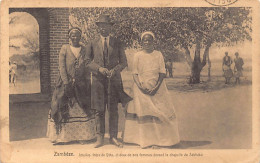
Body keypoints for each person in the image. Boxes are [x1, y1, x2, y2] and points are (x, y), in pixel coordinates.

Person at [123, 31, 180, 149]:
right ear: (141, 42)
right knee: (143, 113)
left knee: (161, 112)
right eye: (145, 40)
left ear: (153, 42)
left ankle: (163, 140)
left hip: (158, 89)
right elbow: (135, 73)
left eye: (149, 40)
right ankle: (145, 140)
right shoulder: (137, 55)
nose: (147, 42)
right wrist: (140, 87)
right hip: (141, 90)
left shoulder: (158, 54)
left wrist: (155, 88)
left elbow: (162, 72)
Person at [86, 15, 132, 148]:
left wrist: (115, 70)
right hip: (98, 82)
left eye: (106, 25)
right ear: (98, 27)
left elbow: (124, 62)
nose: (103, 28)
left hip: (114, 82)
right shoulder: (92, 43)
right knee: (99, 110)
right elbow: (87, 62)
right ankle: (100, 138)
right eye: (101, 26)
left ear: (110, 27)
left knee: (113, 110)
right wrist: (99, 68)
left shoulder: (117, 42)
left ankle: (113, 137)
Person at [47, 27, 95, 144]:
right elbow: (62, 67)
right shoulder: (65, 48)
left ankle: (83, 136)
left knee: (82, 106)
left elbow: (88, 66)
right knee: (61, 105)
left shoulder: (84, 49)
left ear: (80, 36)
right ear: (69, 36)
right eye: (72, 35)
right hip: (65, 82)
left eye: (77, 35)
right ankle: (63, 137)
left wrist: (87, 81)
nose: (75, 37)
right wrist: (66, 82)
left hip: (81, 84)